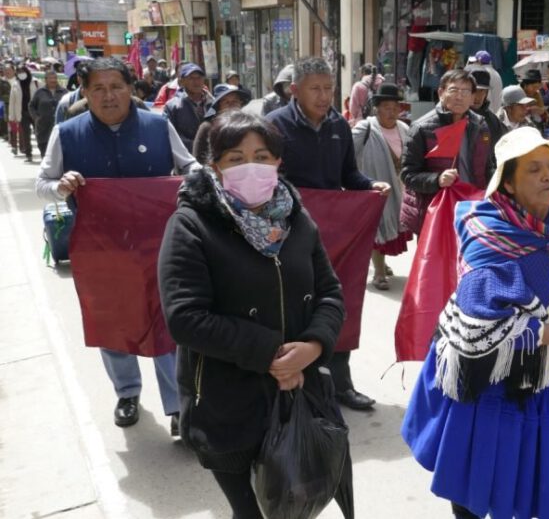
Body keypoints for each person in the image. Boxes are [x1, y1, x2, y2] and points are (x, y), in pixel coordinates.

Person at [402, 126, 549, 519]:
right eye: (533, 169)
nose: (548, 176)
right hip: (502, 393)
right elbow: (474, 320)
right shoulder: (489, 236)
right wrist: (544, 333)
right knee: (485, 487)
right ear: (507, 183)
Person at [158, 111, 350, 519]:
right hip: (227, 405)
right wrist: (274, 356)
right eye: (235, 158)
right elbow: (185, 317)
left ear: (279, 162)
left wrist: (314, 345)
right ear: (215, 167)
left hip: (300, 393)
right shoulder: (191, 225)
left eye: (262, 156)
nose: (251, 167)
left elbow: (330, 292)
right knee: (249, 511)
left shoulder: (298, 219)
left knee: (297, 502)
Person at [35, 57, 197, 434]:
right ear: (85, 93)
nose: (109, 96)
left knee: (166, 326)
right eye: (98, 89)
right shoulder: (67, 133)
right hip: (100, 250)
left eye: (117, 87)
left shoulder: (158, 126)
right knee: (112, 323)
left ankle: (178, 408)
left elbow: (191, 167)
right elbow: (42, 184)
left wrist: (191, 183)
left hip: (161, 247)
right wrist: (60, 187)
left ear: (131, 88)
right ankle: (127, 392)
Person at [267, 56, 391, 412]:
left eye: (328, 89)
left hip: (333, 233)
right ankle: (295, 383)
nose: (323, 96)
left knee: (339, 303)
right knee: (294, 307)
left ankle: (341, 384)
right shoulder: (274, 127)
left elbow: (349, 176)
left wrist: (371, 186)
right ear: (295, 91)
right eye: (315, 89)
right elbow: (268, 182)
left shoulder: (338, 124)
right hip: (287, 234)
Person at [401, 69, 495, 235]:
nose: (459, 97)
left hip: (473, 209)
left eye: (466, 92)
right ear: (441, 93)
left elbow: (487, 168)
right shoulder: (421, 128)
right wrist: (437, 180)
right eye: (453, 90)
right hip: (438, 211)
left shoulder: (481, 126)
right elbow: (408, 175)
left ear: (473, 97)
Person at [352, 83, 413, 291]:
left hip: (399, 189)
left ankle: (382, 264)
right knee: (377, 230)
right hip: (374, 189)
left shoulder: (405, 129)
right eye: (387, 106)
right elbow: (347, 154)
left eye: (396, 107)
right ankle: (378, 274)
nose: (392, 111)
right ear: (377, 107)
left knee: (390, 228)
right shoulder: (365, 128)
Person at [191, 83, 251, 164]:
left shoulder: (248, 126)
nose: (231, 105)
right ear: (218, 107)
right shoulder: (207, 127)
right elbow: (198, 159)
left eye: (235, 101)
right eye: (226, 102)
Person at [164, 63, 212, 152]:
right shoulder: (172, 106)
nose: (196, 81)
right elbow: (169, 135)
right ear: (182, 82)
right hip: (186, 157)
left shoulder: (213, 102)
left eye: (199, 78)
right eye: (191, 78)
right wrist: (197, 146)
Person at [28, 70, 68, 160]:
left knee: (59, 153)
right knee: (44, 152)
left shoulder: (64, 92)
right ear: (46, 80)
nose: (53, 80)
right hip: (43, 128)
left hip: (59, 126)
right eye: (50, 78)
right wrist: (36, 118)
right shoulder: (40, 92)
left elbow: (69, 106)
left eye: (55, 78)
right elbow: (31, 106)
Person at [10, 64, 40, 161]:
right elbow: (12, 101)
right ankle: (28, 154)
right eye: (18, 72)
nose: (21, 74)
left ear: (27, 72)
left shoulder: (36, 82)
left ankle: (44, 153)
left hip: (35, 112)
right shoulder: (15, 84)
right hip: (22, 112)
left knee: (38, 133)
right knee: (26, 134)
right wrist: (12, 116)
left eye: (22, 72)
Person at [469, 69, 506, 146]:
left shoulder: (493, 120)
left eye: (482, 91)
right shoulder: (459, 116)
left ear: (486, 93)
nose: (478, 97)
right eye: (475, 91)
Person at [3, 64, 17, 151]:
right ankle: (12, 139)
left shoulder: (18, 81)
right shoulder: (2, 81)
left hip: (18, 105)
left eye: (9, 70)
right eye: (5, 70)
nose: (7, 72)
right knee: (10, 122)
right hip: (6, 105)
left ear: (14, 71)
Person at [0, 63, 11, 141]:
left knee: (3, 119)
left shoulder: (5, 82)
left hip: (3, 104)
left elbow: (9, 94)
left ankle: (5, 134)